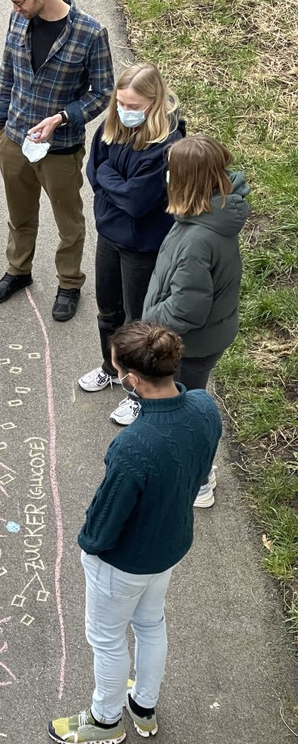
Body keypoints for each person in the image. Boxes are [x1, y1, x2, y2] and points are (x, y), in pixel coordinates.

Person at [48, 322, 221, 744]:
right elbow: (198, 472)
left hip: (123, 562)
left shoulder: (134, 446)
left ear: (131, 379)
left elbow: (105, 522)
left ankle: (105, 720)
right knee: (150, 623)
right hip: (169, 546)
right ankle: (143, 706)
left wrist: (88, 549)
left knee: (107, 640)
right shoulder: (203, 406)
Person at [0, 0, 114, 320]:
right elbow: (7, 71)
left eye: (19, 1)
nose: (15, 9)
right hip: (14, 139)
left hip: (60, 149)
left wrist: (63, 117)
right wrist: (0, 124)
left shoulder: (90, 33)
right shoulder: (19, 22)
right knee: (20, 214)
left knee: (68, 221)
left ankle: (69, 283)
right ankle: (18, 271)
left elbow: (103, 92)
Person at [143, 134, 249, 506]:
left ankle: (199, 481)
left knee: (184, 411)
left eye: (172, 171)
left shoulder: (198, 238)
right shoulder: (210, 213)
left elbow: (187, 309)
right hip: (210, 334)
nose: (166, 176)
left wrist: (145, 324)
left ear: (186, 180)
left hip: (193, 344)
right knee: (189, 402)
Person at [77, 62, 185, 426]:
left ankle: (138, 392)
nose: (125, 111)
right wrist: (115, 181)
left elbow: (138, 202)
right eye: (121, 102)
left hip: (142, 247)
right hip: (110, 234)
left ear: (154, 103)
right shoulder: (114, 126)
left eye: (134, 106)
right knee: (107, 308)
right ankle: (112, 367)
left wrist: (110, 179)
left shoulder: (168, 144)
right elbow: (94, 170)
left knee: (137, 321)